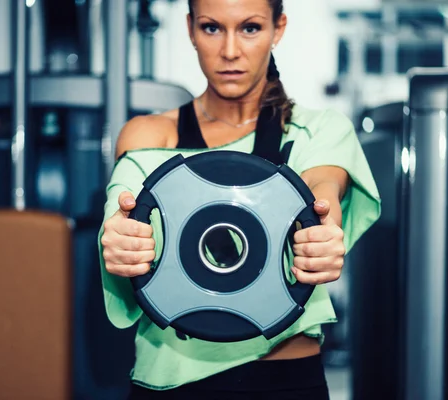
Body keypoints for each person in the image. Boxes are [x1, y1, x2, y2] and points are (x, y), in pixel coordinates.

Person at [98, 0, 381, 398]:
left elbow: (321, 196)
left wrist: (322, 236)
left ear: (277, 29)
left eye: (249, 28)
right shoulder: (148, 135)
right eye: (212, 28)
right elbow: (120, 214)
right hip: (170, 382)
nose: (230, 51)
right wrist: (121, 242)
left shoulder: (318, 130)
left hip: (284, 382)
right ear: (191, 29)